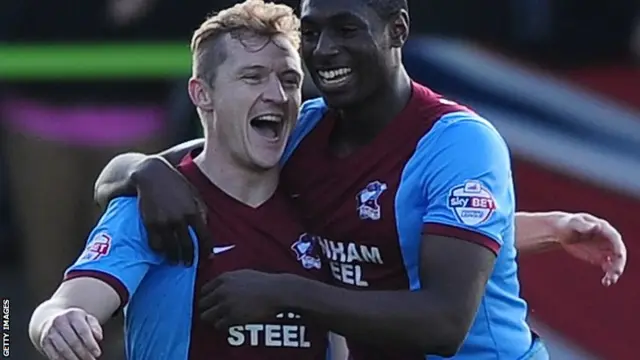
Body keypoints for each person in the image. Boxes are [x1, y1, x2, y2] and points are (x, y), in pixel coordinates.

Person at [94, 0, 627, 359]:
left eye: (347, 29)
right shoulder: (303, 128)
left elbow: (444, 321)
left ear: (397, 31)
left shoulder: (459, 142)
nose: (324, 50)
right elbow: (166, 168)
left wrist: (286, 293)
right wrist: (144, 170)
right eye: (313, 31)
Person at [28, 2, 340, 359]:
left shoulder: (322, 198)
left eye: (290, 80)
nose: (278, 95)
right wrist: (57, 321)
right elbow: (62, 305)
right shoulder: (156, 202)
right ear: (201, 94)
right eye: (252, 77)